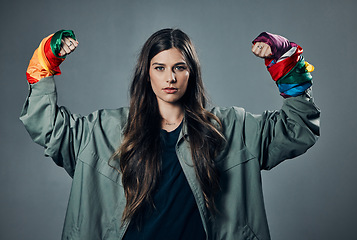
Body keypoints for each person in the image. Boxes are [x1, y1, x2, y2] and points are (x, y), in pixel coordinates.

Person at [20, 28, 320, 240]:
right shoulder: (103, 130)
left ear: (192, 73)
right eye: (160, 68)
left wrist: (288, 66)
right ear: (146, 73)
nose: (170, 77)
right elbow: (47, 126)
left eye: (179, 67)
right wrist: (45, 62)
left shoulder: (231, 128)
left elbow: (297, 129)